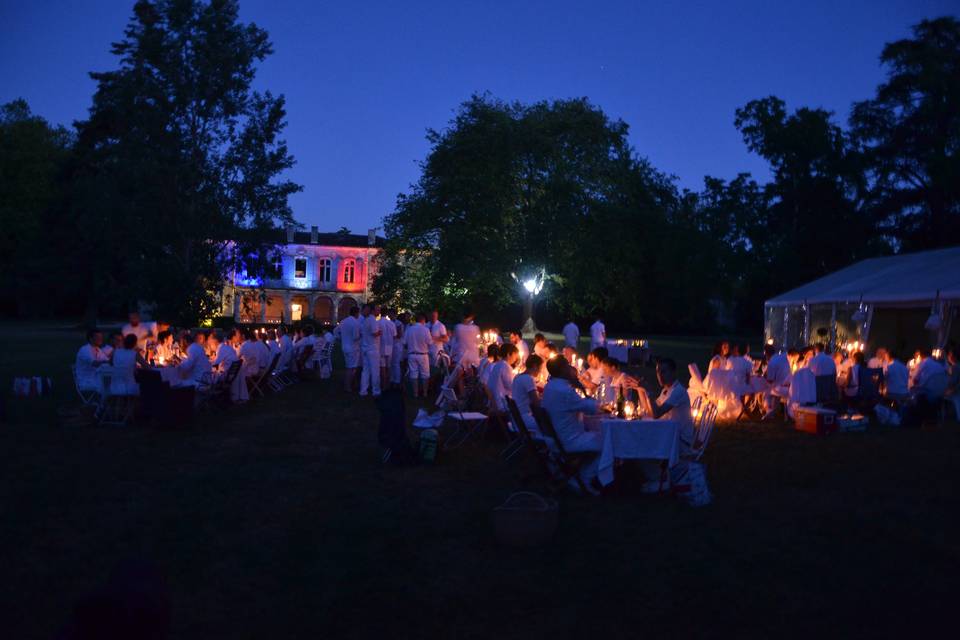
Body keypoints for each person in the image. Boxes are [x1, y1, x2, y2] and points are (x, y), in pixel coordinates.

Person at [541, 356, 602, 494]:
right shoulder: (565, 391)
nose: (571, 368)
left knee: (597, 436)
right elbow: (591, 408)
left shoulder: (550, 386)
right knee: (609, 442)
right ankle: (584, 478)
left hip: (554, 438)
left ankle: (575, 474)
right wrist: (582, 388)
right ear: (563, 369)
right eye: (568, 366)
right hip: (568, 440)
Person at [641, 358, 694, 492]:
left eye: (664, 371)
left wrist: (648, 392)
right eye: (658, 372)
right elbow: (649, 411)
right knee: (640, 440)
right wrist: (640, 390)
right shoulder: (666, 390)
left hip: (680, 441)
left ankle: (659, 478)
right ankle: (657, 475)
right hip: (668, 435)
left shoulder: (678, 391)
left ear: (673, 372)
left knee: (640, 444)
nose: (660, 375)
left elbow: (656, 414)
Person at [511, 354, 544, 437]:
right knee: (549, 424)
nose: (540, 371)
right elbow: (536, 402)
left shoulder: (517, 377)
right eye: (540, 368)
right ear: (535, 366)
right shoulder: (528, 379)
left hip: (516, 417)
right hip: (524, 418)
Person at [405, 313, 432, 398]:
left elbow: (404, 343)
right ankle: (425, 393)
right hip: (423, 354)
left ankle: (415, 393)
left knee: (413, 374)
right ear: (423, 320)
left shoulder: (409, 329)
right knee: (425, 374)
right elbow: (430, 342)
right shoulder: (425, 329)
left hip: (412, 354)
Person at [487, 343, 519, 412]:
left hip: (494, 401)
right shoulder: (505, 366)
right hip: (501, 404)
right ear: (508, 354)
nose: (516, 358)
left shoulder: (498, 364)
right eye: (514, 355)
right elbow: (511, 386)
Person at [359, 304, 382, 397]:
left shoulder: (366, 320)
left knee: (365, 370)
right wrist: (380, 332)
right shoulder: (373, 320)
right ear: (373, 311)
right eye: (378, 310)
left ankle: (363, 390)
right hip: (372, 349)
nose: (379, 312)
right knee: (375, 370)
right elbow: (375, 333)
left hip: (365, 348)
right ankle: (376, 391)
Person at [336, 307, 361, 391]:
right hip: (353, 348)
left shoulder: (343, 321)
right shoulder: (355, 323)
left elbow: (335, 331)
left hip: (345, 347)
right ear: (357, 313)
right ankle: (347, 386)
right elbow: (355, 337)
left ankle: (349, 384)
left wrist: (341, 338)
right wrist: (361, 335)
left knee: (349, 367)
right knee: (351, 368)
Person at [762, 345, 791, 418]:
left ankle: (769, 411)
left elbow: (770, 380)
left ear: (766, 353)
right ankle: (774, 409)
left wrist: (764, 376)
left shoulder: (771, 363)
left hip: (781, 388)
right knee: (773, 389)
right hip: (789, 386)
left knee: (766, 391)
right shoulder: (783, 357)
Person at [378, 307, 396, 387]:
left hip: (380, 346)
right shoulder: (391, 324)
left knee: (382, 367)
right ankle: (387, 383)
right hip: (389, 346)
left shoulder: (377, 323)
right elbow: (395, 335)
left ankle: (383, 384)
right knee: (388, 367)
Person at [390, 313, 407, 386]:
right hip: (393, 345)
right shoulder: (391, 322)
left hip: (398, 345)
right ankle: (392, 379)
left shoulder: (398, 323)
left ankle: (397, 380)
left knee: (396, 363)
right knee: (392, 363)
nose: (390, 316)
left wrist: (391, 334)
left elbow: (399, 335)